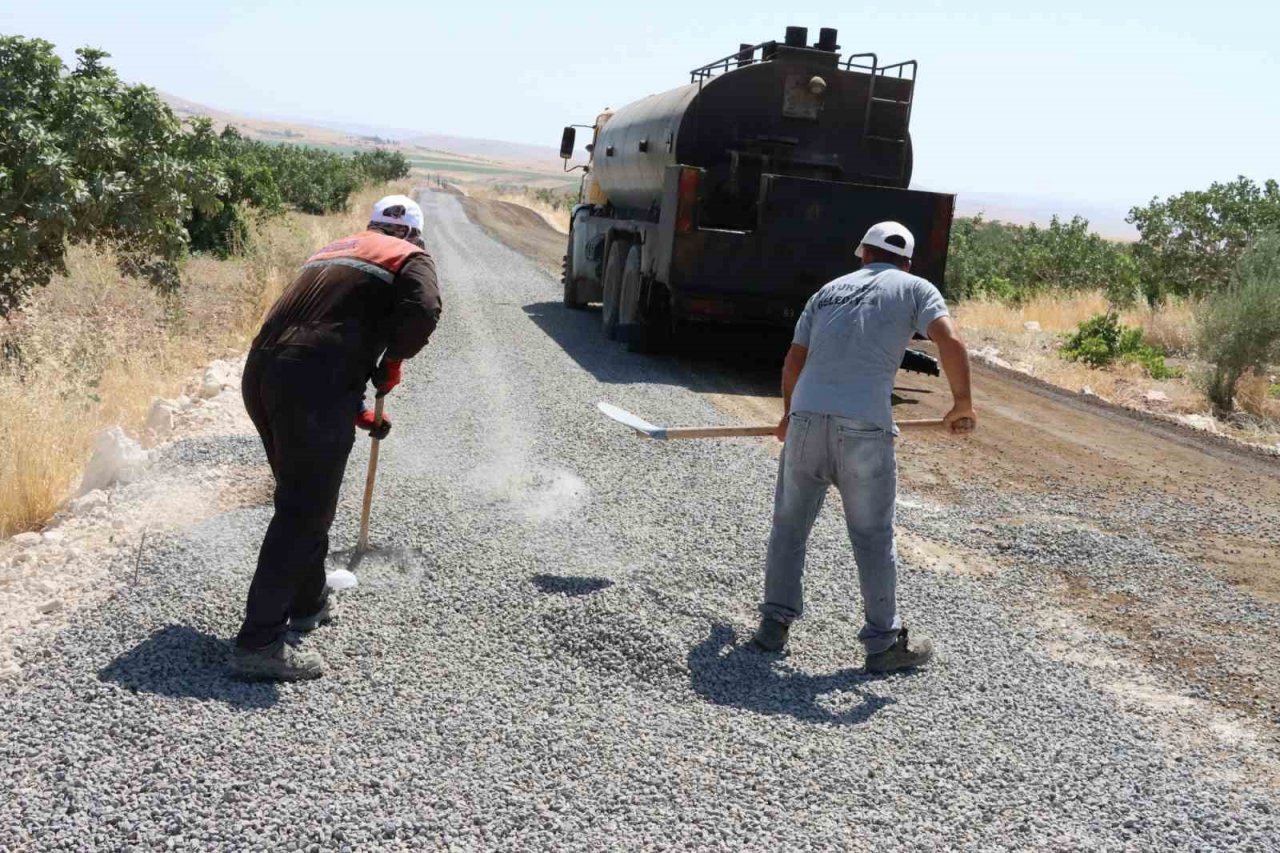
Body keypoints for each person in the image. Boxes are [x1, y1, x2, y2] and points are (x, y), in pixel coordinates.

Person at [232, 194, 442, 681]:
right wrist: (391, 363)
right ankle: (259, 642)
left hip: (263, 373)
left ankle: (307, 602)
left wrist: (359, 411)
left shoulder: (334, 250)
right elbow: (424, 309)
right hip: (311, 379)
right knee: (304, 508)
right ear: (414, 232)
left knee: (304, 496)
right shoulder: (410, 256)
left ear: (371, 225)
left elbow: (318, 332)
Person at [751, 221, 975, 672]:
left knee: (790, 526)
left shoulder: (827, 291)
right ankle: (882, 645)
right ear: (907, 262)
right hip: (864, 430)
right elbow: (948, 339)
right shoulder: (915, 288)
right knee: (872, 536)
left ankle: (773, 625)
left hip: (808, 422)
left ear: (863, 255)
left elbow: (795, 358)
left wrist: (790, 415)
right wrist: (962, 403)